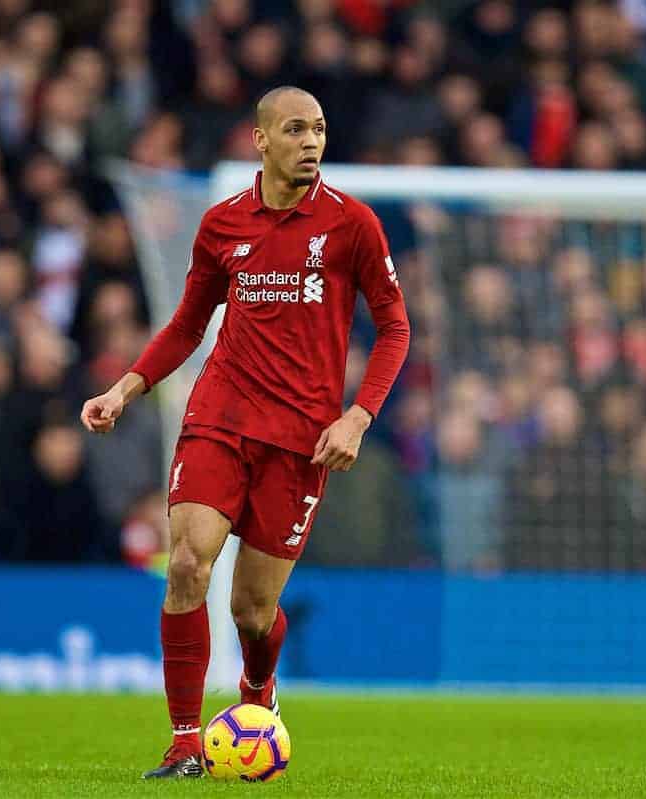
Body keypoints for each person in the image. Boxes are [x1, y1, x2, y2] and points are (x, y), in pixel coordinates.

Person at [79, 86, 409, 779]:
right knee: (189, 563)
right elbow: (187, 326)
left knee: (252, 610)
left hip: (301, 440)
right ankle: (184, 741)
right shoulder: (223, 224)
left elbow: (395, 326)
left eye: (319, 128)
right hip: (219, 417)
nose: (311, 141)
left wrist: (358, 414)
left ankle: (258, 689)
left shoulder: (353, 225)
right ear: (260, 140)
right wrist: (124, 388)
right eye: (295, 129)